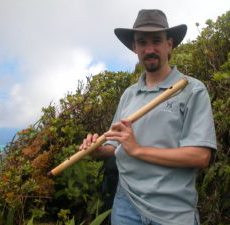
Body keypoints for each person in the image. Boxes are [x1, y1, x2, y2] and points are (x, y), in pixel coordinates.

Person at [79, 9, 217, 225]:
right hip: (126, 205)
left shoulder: (192, 90)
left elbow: (200, 156)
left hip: (171, 212)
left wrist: (138, 150)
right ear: (135, 47)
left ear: (169, 44)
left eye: (156, 40)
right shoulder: (129, 95)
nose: (149, 49)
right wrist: (97, 151)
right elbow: (117, 147)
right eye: (142, 42)